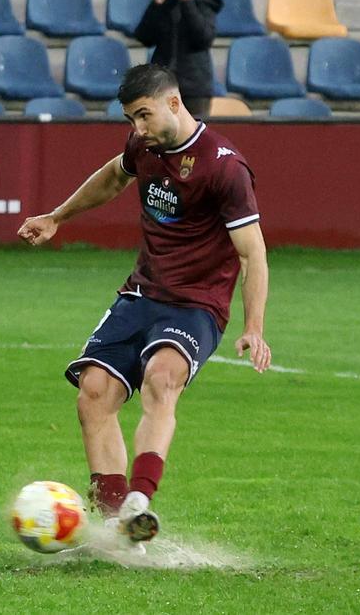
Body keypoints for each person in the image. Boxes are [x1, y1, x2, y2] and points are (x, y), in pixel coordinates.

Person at [17, 64, 271, 547]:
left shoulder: (224, 166)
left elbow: (253, 252)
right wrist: (57, 217)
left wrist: (253, 325)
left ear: (174, 104)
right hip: (142, 292)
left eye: (144, 116)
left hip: (196, 305)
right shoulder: (145, 146)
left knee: (161, 377)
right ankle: (116, 525)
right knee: (93, 392)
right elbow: (114, 177)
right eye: (131, 119)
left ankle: (139, 502)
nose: (137, 130)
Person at [134, 0, 222, 119]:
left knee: (195, 134)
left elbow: (204, 38)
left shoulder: (204, 2)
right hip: (162, 84)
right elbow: (144, 37)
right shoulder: (163, 3)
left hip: (195, 85)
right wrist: (156, 5)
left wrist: (188, 3)